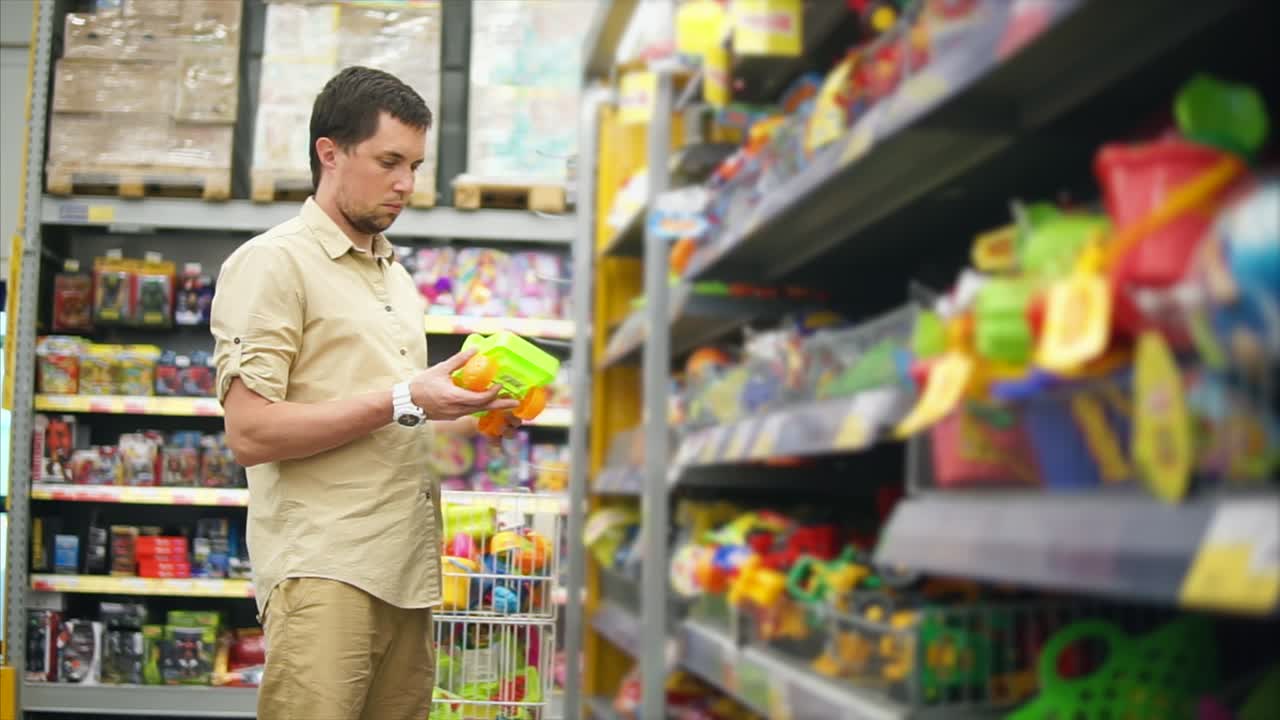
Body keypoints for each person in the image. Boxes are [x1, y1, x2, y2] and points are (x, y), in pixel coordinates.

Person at [211, 66, 521, 720]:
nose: (406, 184)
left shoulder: (395, 277)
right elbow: (250, 433)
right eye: (388, 161)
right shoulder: (275, 263)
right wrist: (407, 396)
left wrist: (476, 415)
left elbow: (393, 424)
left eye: (414, 164)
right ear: (330, 153)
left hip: (407, 575)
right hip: (327, 571)